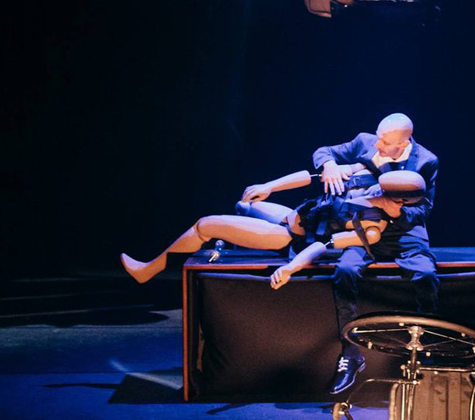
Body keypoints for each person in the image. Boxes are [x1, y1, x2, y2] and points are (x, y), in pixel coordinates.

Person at [118, 164, 422, 286]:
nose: (382, 196)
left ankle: (150, 270)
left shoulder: (370, 228)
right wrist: (271, 186)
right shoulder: (365, 178)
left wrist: (291, 268)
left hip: (286, 235)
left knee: (205, 225)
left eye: (394, 199)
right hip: (292, 214)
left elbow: (322, 245)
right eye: (384, 190)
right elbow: (314, 176)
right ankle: (234, 237)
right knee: (245, 203)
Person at [310, 113, 439, 394]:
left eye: (386, 141)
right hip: (362, 228)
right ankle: (351, 352)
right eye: (379, 136)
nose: (378, 145)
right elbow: (323, 151)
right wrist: (329, 164)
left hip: (402, 232)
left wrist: (399, 211)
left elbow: (424, 209)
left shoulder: (427, 161)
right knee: (344, 271)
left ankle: (423, 350)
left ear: (404, 142)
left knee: (426, 275)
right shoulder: (364, 142)